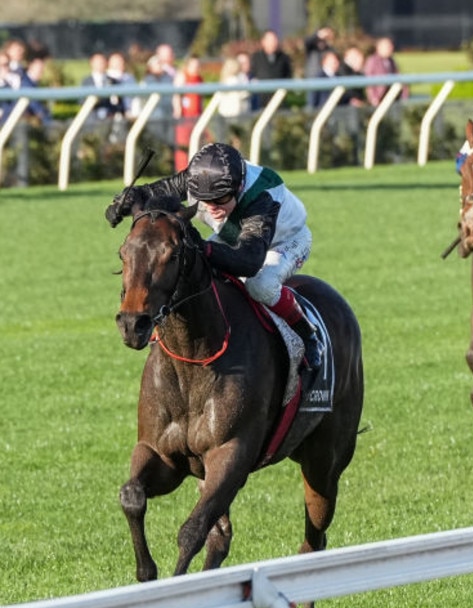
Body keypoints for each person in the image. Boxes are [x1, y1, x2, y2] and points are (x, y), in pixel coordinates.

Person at [103, 142, 323, 369]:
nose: (211, 207)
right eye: (205, 199)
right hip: (235, 236)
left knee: (261, 285)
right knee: (188, 266)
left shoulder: (262, 195)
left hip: (284, 242)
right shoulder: (199, 176)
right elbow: (149, 193)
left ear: (239, 188)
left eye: (220, 199)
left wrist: (204, 248)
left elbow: (249, 261)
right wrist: (126, 201)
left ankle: (305, 331)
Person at [362, 37, 406, 106]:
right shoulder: (372, 61)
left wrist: (404, 94)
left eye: (391, 46)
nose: (391, 48)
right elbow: (368, 80)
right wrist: (373, 97)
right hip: (379, 97)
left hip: (392, 95)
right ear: (379, 48)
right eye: (388, 47)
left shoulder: (391, 61)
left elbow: (398, 76)